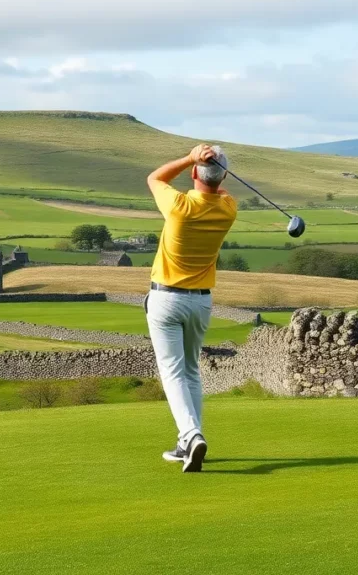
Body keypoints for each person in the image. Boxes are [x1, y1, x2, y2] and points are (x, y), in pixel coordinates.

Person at [145, 144, 237, 473]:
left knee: (172, 372)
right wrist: (210, 166)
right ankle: (188, 442)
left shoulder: (180, 205)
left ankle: (191, 433)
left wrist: (189, 158)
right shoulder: (228, 208)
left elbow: (154, 177)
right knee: (191, 370)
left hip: (166, 298)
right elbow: (219, 187)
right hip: (200, 301)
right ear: (223, 176)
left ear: (195, 174)